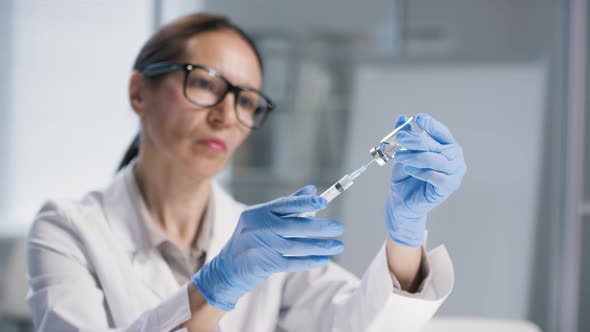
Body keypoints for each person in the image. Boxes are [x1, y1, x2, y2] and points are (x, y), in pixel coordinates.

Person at [26, 13, 466, 332]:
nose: (226, 115)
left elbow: (356, 325)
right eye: (203, 83)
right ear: (139, 92)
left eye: (246, 101)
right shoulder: (68, 232)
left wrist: (406, 236)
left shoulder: (266, 242)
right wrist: (215, 286)